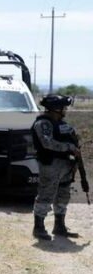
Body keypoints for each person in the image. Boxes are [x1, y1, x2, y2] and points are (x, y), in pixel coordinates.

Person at [30, 94, 83, 240]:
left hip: (66, 165)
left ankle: (59, 226)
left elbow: (72, 138)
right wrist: (69, 147)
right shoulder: (43, 123)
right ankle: (39, 227)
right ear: (56, 108)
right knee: (46, 195)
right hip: (51, 165)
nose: (65, 110)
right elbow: (47, 143)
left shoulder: (61, 123)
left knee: (63, 195)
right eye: (63, 107)